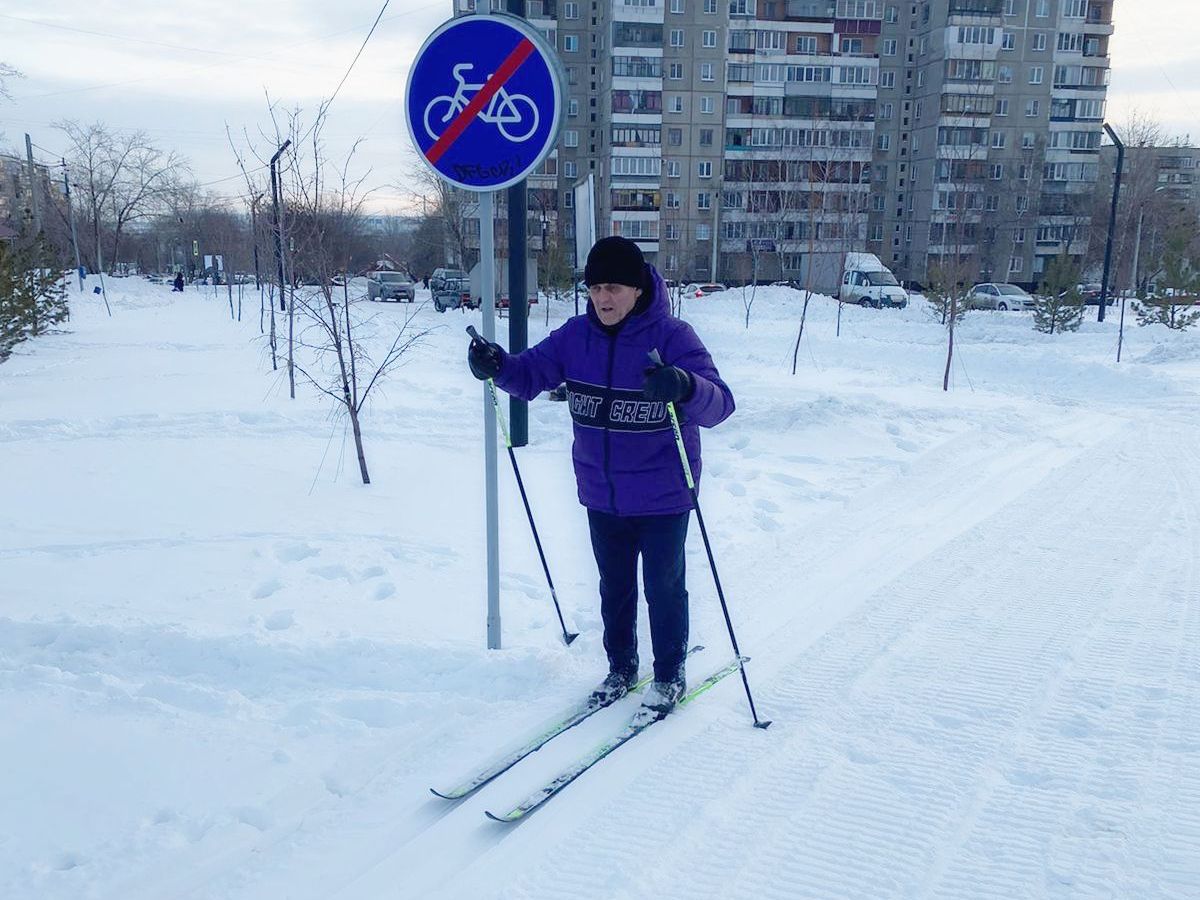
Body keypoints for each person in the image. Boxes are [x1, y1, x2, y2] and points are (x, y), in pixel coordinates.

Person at [467, 236, 734, 714]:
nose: (603, 299)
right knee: (614, 588)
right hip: (602, 494)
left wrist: (684, 384)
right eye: (594, 289)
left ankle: (670, 674)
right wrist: (496, 366)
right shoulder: (575, 337)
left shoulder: (673, 337)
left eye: (613, 287)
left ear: (636, 290)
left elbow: (720, 404)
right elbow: (528, 376)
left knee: (663, 587)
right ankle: (622, 666)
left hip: (663, 496)